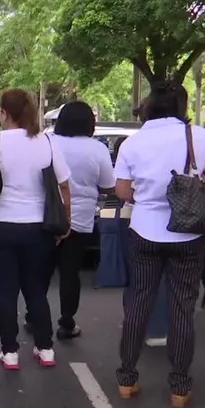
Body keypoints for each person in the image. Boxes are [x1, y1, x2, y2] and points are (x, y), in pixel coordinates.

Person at [114, 81, 205, 408]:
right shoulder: (197, 136)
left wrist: (148, 198)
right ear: (181, 105)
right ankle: (179, 387)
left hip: (144, 231)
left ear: (149, 105)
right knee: (182, 308)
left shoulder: (132, 143)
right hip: (188, 234)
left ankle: (126, 379)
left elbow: (122, 191)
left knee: (139, 301)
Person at [0, 88, 71, 370]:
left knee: (6, 288)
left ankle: (9, 352)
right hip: (38, 227)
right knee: (36, 290)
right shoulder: (46, 142)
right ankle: (45, 349)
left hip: (1, 226)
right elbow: (65, 184)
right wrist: (65, 223)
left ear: (3, 113)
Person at [47, 101, 115, 338]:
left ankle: (33, 316)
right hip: (81, 219)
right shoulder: (97, 149)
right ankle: (67, 322)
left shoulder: (49, 143)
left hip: (48, 216)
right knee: (70, 272)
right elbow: (108, 186)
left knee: (42, 270)